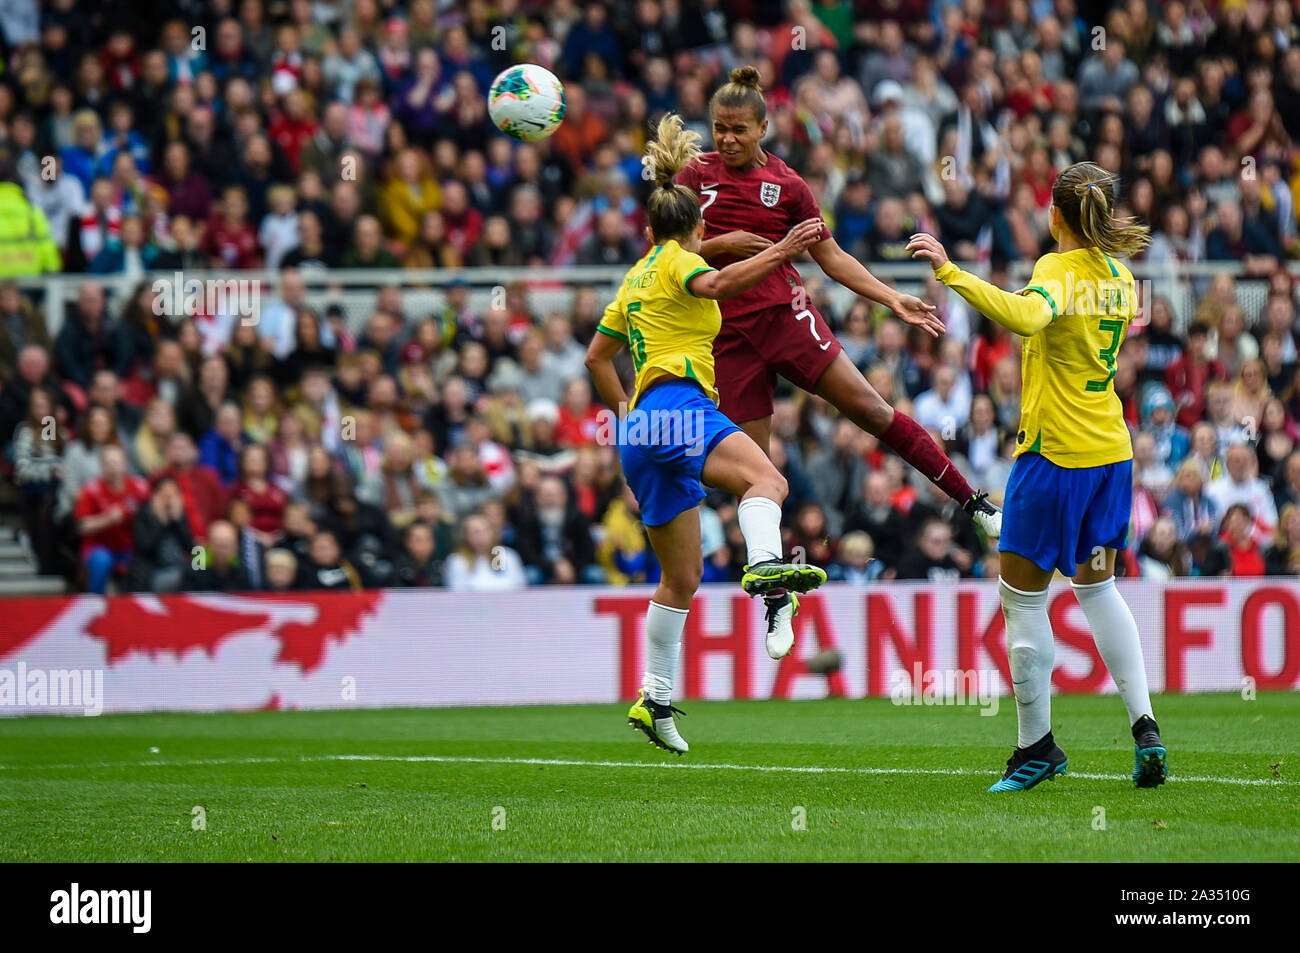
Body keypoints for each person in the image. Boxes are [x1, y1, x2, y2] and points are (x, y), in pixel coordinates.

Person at [908, 161, 1166, 790]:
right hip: (1111, 456)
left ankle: (1036, 748)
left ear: (1055, 216)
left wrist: (950, 273)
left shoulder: (1055, 270)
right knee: (1098, 589)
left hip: (1054, 458)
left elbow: (1027, 318)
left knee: (1022, 599)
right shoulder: (1122, 277)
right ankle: (1146, 729)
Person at [585, 113, 828, 755]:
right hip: (681, 407)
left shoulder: (636, 275)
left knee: (681, 578)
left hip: (641, 429)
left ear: (647, 228)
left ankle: (655, 697)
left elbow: (595, 357)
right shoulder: (677, 266)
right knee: (766, 479)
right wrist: (779, 252)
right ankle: (768, 572)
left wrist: (627, 416)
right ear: (696, 229)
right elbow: (713, 281)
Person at [674, 68, 1002, 541]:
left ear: (762, 128)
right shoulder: (694, 176)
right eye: (719, 128)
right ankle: (776, 602)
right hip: (726, 336)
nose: (726, 139)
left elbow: (831, 258)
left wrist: (891, 298)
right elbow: (667, 255)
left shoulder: (787, 184)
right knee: (757, 475)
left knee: (872, 411)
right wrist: (726, 243)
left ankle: (971, 501)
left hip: (785, 318)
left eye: (738, 130)